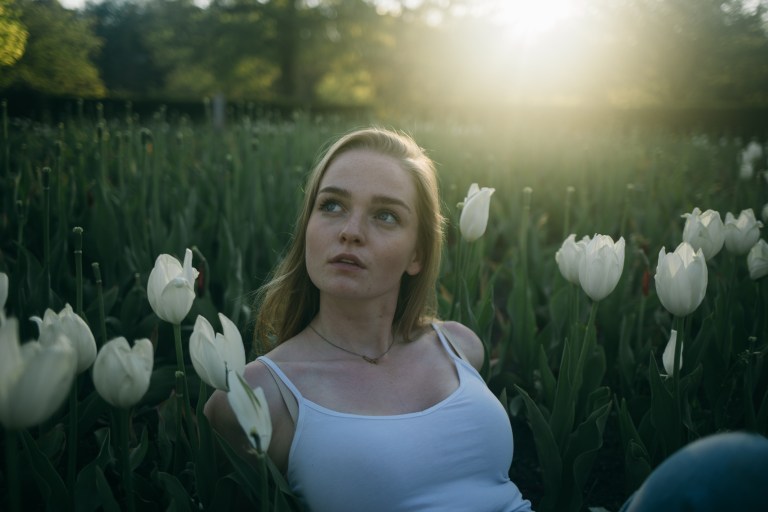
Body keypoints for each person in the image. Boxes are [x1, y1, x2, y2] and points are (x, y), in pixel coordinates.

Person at [204, 126, 533, 511]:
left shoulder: (459, 347)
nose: (350, 232)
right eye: (331, 206)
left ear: (418, 255)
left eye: (385, 215)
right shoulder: (256, 396)